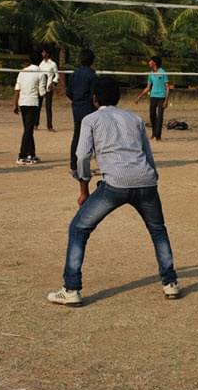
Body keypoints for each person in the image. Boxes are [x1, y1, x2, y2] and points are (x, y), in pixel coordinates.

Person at [47, 77, 180, 306]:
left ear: (95, 98)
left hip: (116, 184)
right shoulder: (135, 118)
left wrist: (83, 188)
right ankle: (170, 283)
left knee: (79, 228)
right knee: (158, 230)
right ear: (118, 97)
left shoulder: (91, 120)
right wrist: (152, 179)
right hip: (146, 181)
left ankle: (71, 288)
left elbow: (81, 157)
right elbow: (148, 154)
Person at [66, 48, 98, 175]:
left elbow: (69, 92)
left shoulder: (74, 74)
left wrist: (76, 100)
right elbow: (93, 95)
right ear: (92, 61)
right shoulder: (92, 75)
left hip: (77, 108)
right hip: (88, 109)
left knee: (77, 136)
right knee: (90, 138)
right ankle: (85, 165)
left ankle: (74, 164)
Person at [12, 51, 47, 165]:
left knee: (29, 129)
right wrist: (49, 88)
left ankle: (31, 154)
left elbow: (17, 89)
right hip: (32, 103)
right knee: (28, 130)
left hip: (23, 103)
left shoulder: (23, 71)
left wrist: (15, 104)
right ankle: (22, 155)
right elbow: (42, 93)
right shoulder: (41, 73)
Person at [135, 56, 169, 141]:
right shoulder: (150, 74)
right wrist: (139, 97)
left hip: (161, 97)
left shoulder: (163, 72)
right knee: (152, 115)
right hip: (153, 96)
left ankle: (158, 136)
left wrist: (166, 100)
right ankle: (154, 133)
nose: (149, 63)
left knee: (160, 116)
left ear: (155, 62)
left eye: (150, 61)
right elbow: (148, 87)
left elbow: (167, 87)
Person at [37, 44, 59, 131]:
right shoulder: (41, 64)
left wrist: (53, 83)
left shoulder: (53, 64)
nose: (42, 53)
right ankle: (36, 124)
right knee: (38, 106)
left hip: (48, 87)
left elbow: (57, 75)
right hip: (40, 87)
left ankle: (49, 126)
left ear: (48, 53)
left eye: (44, 52)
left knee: (48, 108)